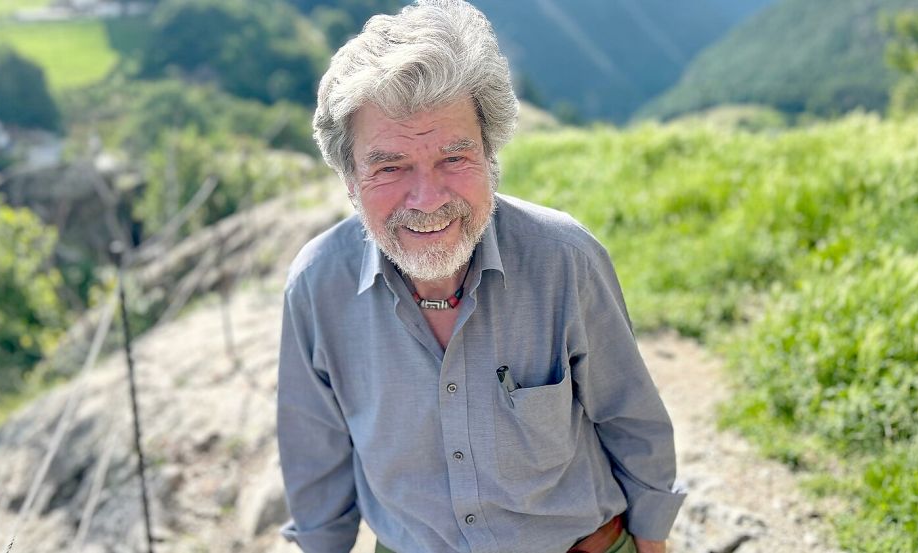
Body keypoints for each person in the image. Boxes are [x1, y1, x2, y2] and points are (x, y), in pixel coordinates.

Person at [276, 1, 686, 552]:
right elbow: (316, 462)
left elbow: (631, 418)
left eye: (454, 158)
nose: (427, 200)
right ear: (349, 178)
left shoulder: (563, 258)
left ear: (491, 159)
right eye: (390, 166)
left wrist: (652, 541)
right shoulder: (316, 286)